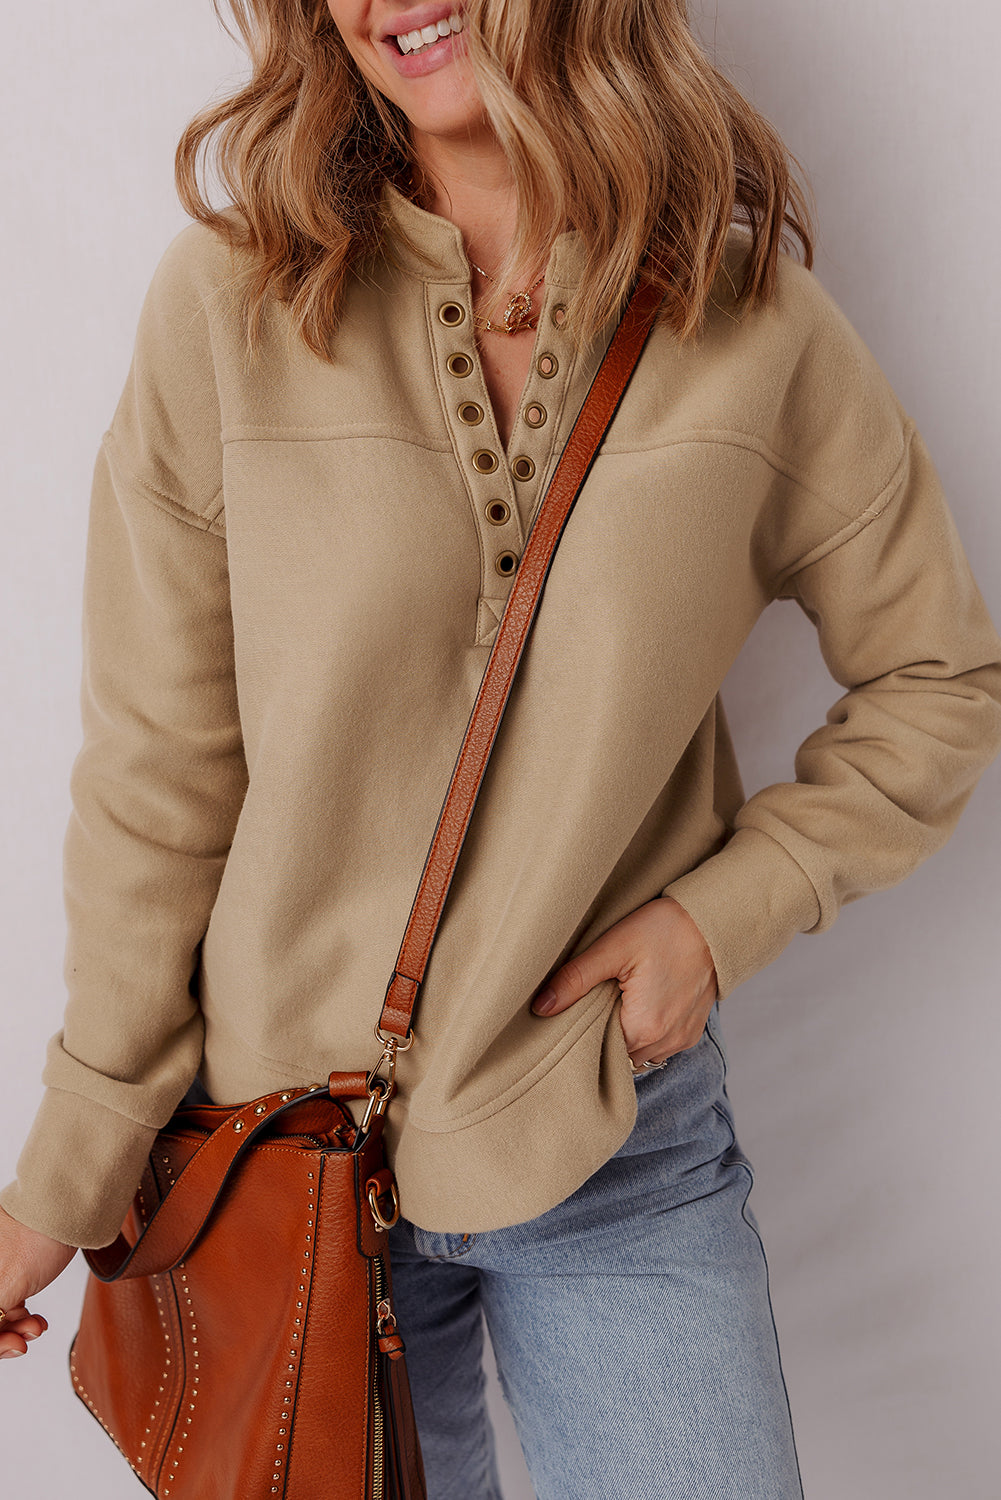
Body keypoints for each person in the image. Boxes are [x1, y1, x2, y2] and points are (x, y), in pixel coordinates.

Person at [1, 1, 999, 1495]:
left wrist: (720, 918)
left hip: (609, 1135)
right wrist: (69, 1171)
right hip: (283, 1158)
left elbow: (939, 675)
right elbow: (159, 777)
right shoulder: (229, 308)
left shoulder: (750, 324)